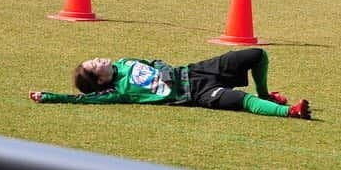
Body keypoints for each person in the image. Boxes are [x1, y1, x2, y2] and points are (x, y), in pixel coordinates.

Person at [28, 48, 311, 120]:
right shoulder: (118, 92)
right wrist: (49, 96)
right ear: (100, 80)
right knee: (241, 101)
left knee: (256, 54)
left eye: (94, 59)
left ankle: (267, 95)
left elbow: (155, 61)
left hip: (197, 70)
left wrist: (163, 69)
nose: (99, 59)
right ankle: (291, 112)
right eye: (95, 65)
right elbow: (81, 100)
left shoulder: (125, 62)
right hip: (196, 94)